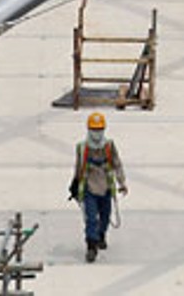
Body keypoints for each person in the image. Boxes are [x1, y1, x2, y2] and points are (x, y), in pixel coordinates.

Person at [68, 112, 128, 262]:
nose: (97, 133)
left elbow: (117, 164)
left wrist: (122, 182)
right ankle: (91, 246)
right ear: (88, 129)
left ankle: (101, 235)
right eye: (94, 129)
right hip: (89, 188)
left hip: (106, 187)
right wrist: (74, 185)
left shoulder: (109, 146)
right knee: (91, 218)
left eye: (99, 129)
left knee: (105, 217)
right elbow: (78, 167)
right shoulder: (82, 148)